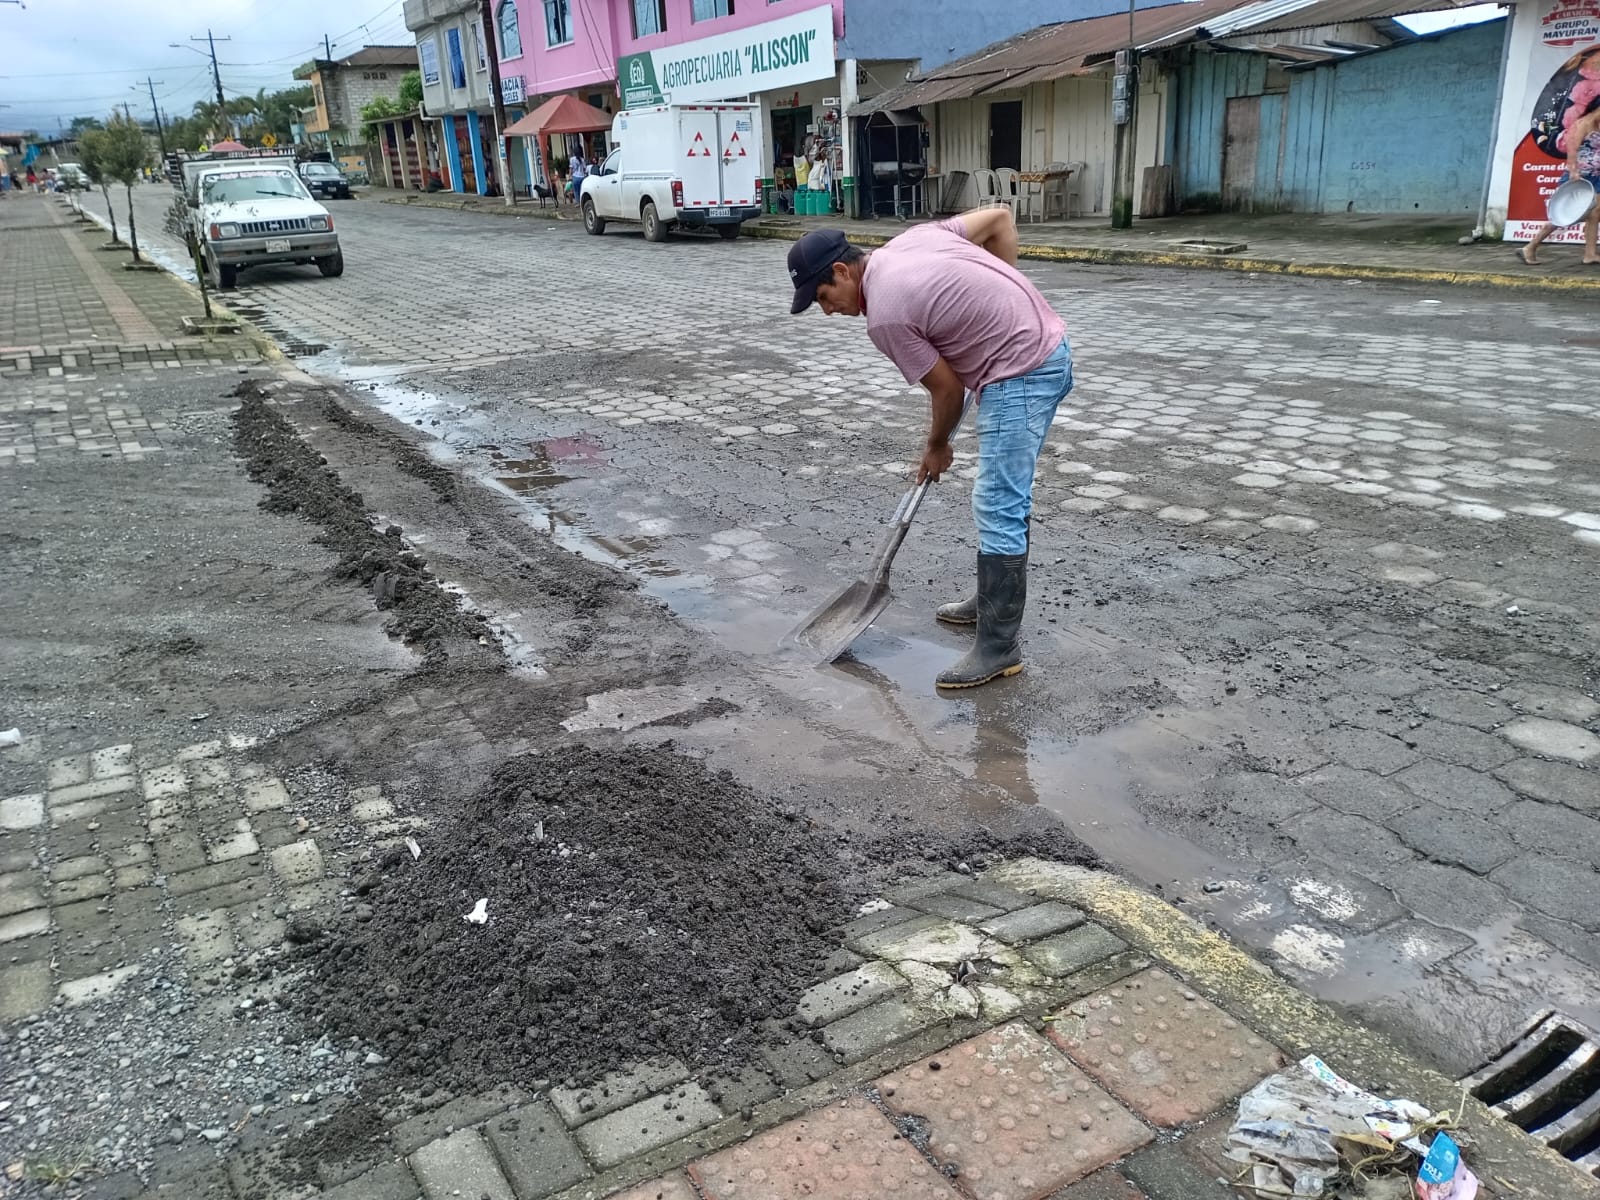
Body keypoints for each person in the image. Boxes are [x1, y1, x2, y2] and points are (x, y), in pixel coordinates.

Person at [786, 207, 1072, 689]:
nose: (828, 311)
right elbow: (1000, 219)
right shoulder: (913, 239)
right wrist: (998, 307)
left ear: (841, 271)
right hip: (1045, 346)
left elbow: (948, 390)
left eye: (823, 298)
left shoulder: (886, 316)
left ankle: (999, 646)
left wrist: (936, 446)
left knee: (998, 501)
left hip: (1023, 370)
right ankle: (991, 602)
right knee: (1005, 495)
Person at [1523, 104, 1600, 264]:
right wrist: (1573, 170)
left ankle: (1590, 254)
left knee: (1595, 213)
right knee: (1563, 215)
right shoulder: (1583, 124)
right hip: (1579, 177)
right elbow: (1572, 148)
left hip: (1596, 176)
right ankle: (1530, 247)